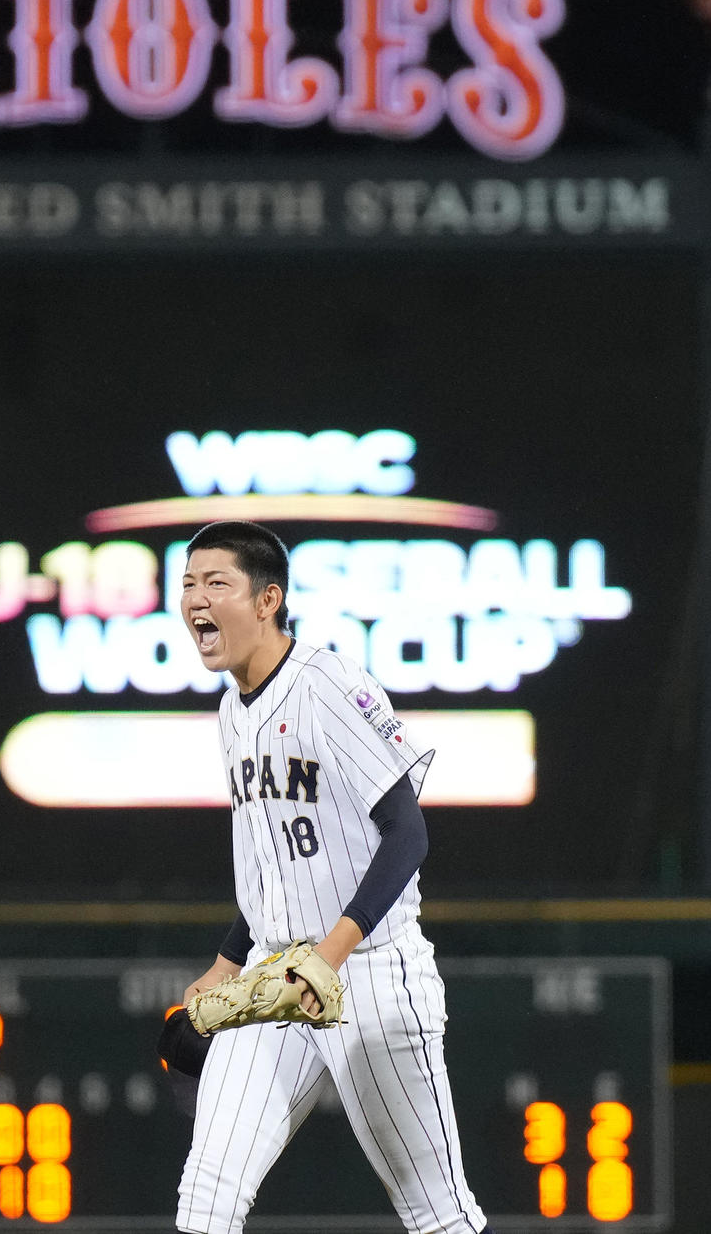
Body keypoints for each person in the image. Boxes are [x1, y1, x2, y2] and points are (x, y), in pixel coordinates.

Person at [174, 520, 494, 1234]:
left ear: (266, 601)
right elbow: (268, 863)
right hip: (274, 973)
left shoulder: (327, 683)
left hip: (370, 970)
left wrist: (329, 957)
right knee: (206, 1197)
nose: (196, 597)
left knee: (436, 1209)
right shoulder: (232, 708)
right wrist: (227, 963)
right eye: (188, 583)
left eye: (216, 582)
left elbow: (408, 834)